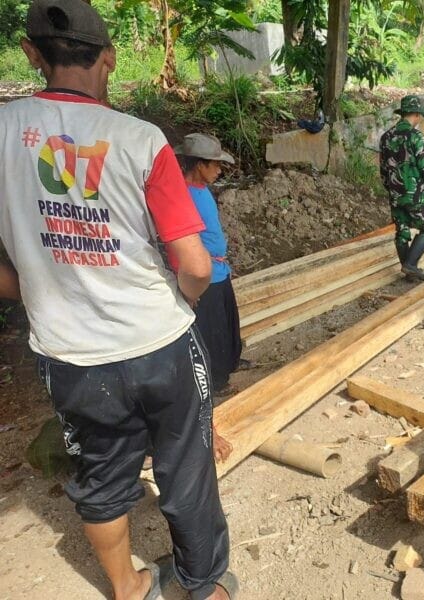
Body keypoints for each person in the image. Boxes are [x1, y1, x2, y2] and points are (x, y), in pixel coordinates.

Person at [0, 1, 235, 598]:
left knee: (101, 476)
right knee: (186, 467)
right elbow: (195, 263)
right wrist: (183, 303)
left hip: (71, 355)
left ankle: (128, 587)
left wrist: (35, 292)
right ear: (108, 58)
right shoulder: (138, 138)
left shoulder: (3, 133)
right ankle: (205, 585)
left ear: (31, 54)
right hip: (159, 341)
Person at [175, 133, 244, 396]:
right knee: (212, 330)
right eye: (214, 164)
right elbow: (180, 241)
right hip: (205, 274)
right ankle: (216, 380)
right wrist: (189, 283)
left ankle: (230, 362)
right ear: (199, 165)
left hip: (220, 270)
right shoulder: (182, 194)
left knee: (227, 322)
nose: (219, 170)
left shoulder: (202, 190)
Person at [379, 94, 424, 281]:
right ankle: (410, 265)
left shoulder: (386, 137)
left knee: (402, 230)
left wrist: (391, 188)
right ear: (416, 114)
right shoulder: (416, 136)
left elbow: (383, 169)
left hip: (395, 192)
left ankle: (409, 272)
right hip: (415, 192)